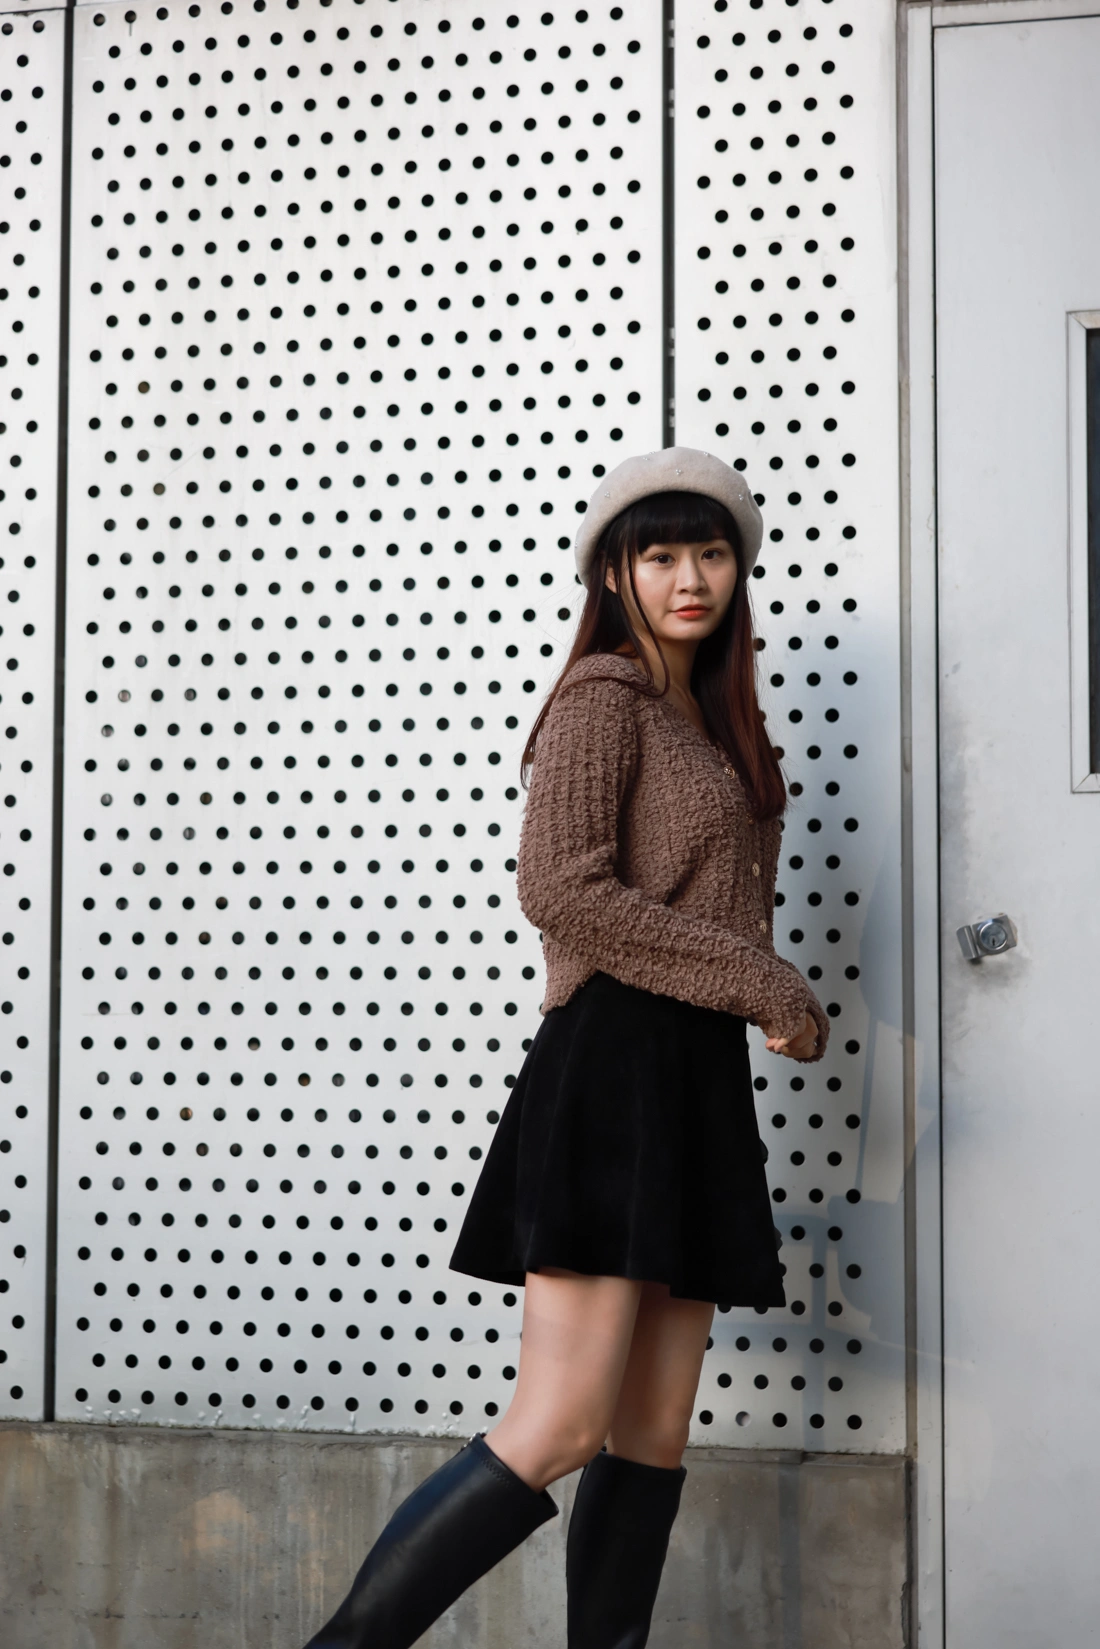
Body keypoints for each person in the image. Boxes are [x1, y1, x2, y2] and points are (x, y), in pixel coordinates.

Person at [301, 447, 830, 1649]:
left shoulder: (713, 719)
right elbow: (561, 889)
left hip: (695, 1080)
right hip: (613, 1070)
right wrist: (763, 980)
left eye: (711, 552)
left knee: (651, 1436)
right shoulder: (603, 695)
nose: (688, 578)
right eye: (660, 554)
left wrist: (759, 999)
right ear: (611, 572)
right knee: (557, 1426)